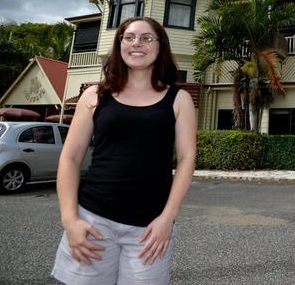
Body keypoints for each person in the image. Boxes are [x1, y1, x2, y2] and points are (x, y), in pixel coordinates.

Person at [52, 16, 196, 285]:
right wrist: (70, 219)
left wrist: (168, 218)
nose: (136, 43)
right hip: (93, 220)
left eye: (146, 38)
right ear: (119, 44)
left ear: (160, 46)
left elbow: (187, 160)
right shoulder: (94, 95)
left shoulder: (180, 99)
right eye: (128, 37)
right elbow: (71, 158)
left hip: (150, 229)